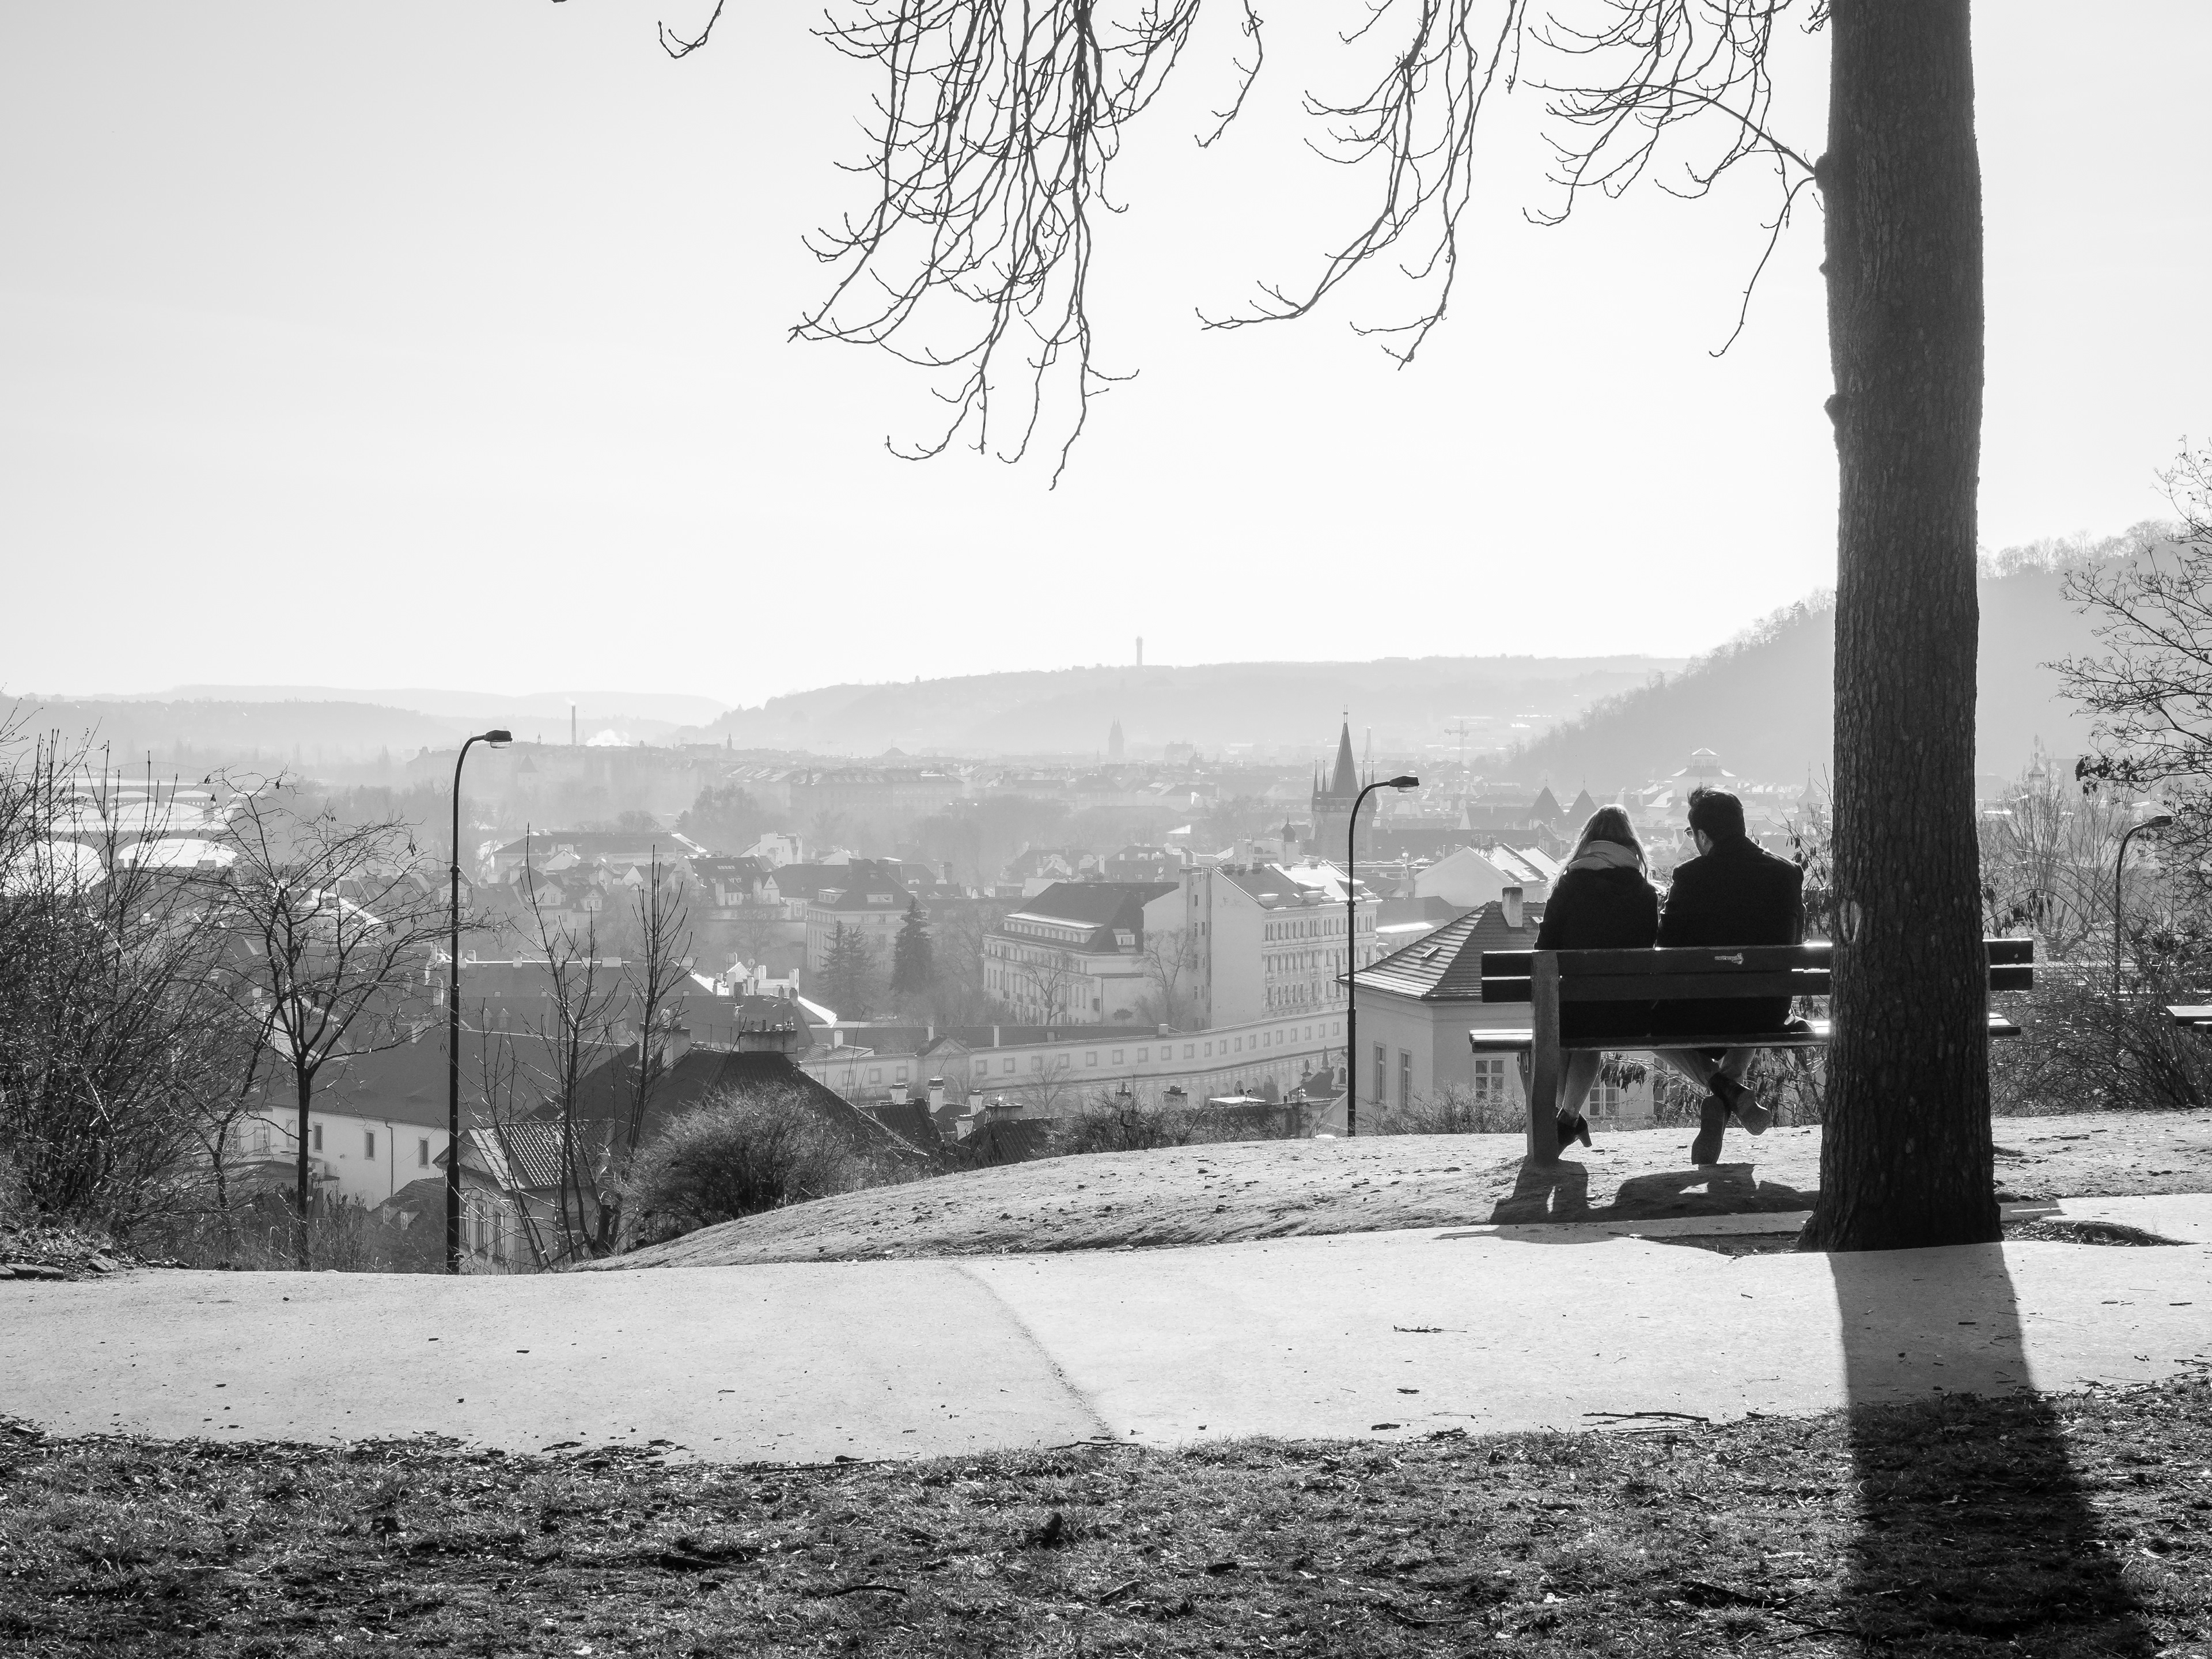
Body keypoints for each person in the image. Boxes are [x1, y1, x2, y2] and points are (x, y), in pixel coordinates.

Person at [1653, 785, 1806, 1165]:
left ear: (1703, 836)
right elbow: (1794, 944)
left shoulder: (1690, 876)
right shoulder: (1787, 873)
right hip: (1766, 1009)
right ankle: (1729, 1094)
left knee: (1644, 1025)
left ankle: (1724, 1088)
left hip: (1700, 1013)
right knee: (1749, 999)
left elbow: (1665, 951)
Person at [1533, 804, 1659, 1150]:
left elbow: (1543, 949)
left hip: (1569, 1007)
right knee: (1590, 1030)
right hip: (1626, 1011)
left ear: (1587, 841)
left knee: (1569, 1026)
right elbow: (1648, 948)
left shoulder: (1568, 885)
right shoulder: (1645, 893)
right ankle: (1568, 1118)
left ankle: (1568, 1118)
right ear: (1631, 844)